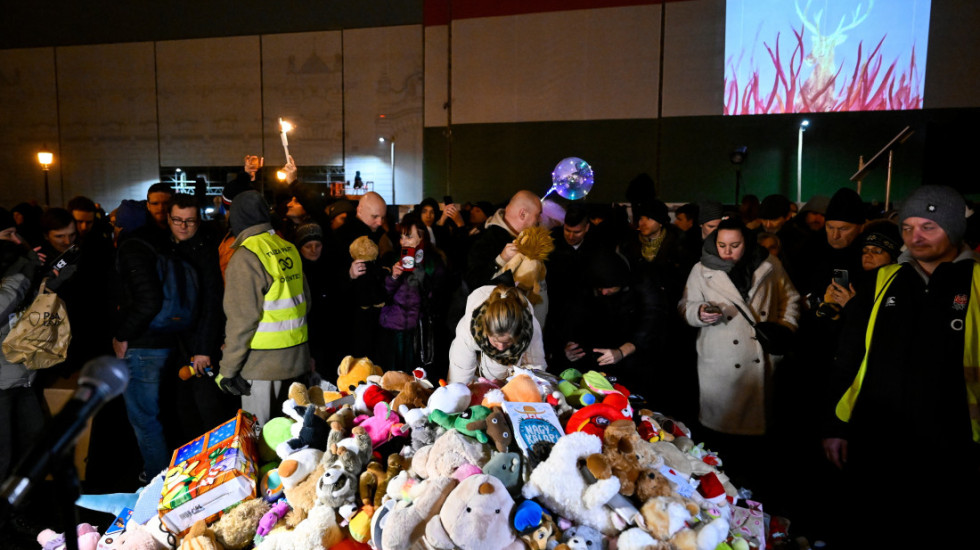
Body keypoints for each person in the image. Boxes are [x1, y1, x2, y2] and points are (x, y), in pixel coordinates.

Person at [823, 186, 979, 543]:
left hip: (951, 446)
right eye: (907, 227)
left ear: (954, 229)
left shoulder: (976, 283)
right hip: (877, 439)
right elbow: (850, 356)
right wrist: (836, 424)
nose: (915, 236)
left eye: (928, 226)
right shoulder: (882, 280)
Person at [679, 216, 799, 494]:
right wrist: (699, 313)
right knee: (720, 446)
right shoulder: (701, 269)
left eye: (734, 245)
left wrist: (784, 328)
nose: (727, 252)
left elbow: (790, 298)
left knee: (756, 452)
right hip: (719, 364)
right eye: (721, 245)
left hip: (759, 359)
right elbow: (685, 305)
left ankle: (756, 502)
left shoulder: (770, 265)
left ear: (746, 241)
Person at [218, 190, 312, 426]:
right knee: (291, 438)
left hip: (261, 370)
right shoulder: (287, 247)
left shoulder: (245, 256)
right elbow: (306, 302)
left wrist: (228, 369)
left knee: (260, 442)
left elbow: (243, 320)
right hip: (297, 362)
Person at [0, 209, 43, 482]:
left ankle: (18, 512)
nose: (16, 241)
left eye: (16, 233)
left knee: (34, 447)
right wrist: (22, 275)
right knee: (3, 455)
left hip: (21, 375)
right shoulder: (14, 273)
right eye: (7, 234)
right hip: (3, 382)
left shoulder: (12, 268)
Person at [380, 213, 446, 372]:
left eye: (408, 237)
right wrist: (394, 276)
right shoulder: (393, 259)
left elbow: (438, 296)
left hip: (419, 329)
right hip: (393, 325)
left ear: (421, 237)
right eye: (402, 237)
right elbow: (384, 294)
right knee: (393, 373)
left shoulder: (433, 262)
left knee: (416, 374)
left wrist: (422, 276)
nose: (403, 241)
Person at [448, 285, 546, 383]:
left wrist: (522, 386)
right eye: (495, 341)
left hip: (513, 378)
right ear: (486, 331)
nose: (501, 347)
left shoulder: (530, 328)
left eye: (508, 342)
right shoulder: (468, 330)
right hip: (479, 376)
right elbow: (460, 371)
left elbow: (535, 365)